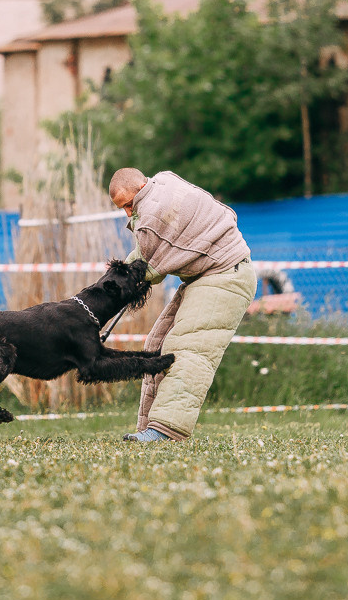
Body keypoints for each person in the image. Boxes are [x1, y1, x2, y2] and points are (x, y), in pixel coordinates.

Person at [108, 168, 257, 442]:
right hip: (206, 276)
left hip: (226, 276)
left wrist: (110, 292)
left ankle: (165, 431)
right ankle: (150, 429)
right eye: (123, 209)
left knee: (187, 350)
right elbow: (144, 255)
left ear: (141, 187)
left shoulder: (152, 215)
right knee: (157, 347)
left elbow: (148, 269)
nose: (128, 214)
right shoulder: (162, 183)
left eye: (129, 205)